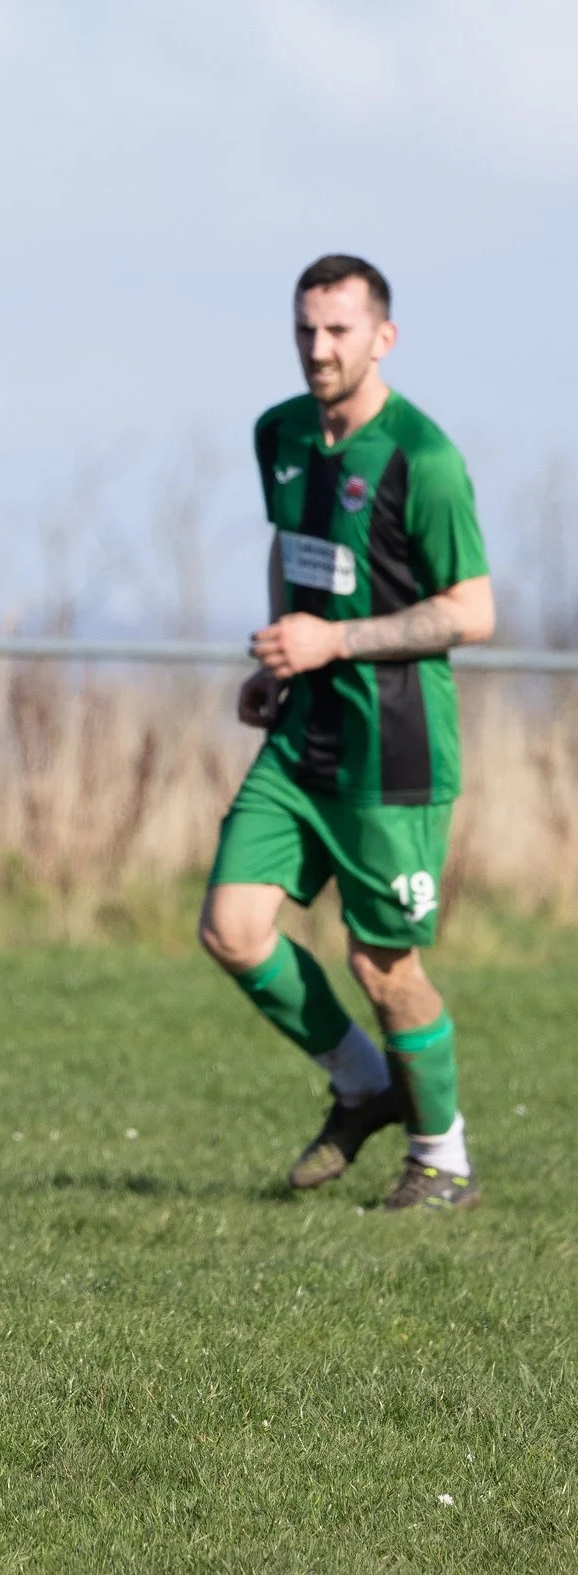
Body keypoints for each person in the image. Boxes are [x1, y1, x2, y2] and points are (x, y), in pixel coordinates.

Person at [199, 254, 493, 1210]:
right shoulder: (279, 435)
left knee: (382, 963)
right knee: (234, 929)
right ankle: (364, 1084)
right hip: (304, 736)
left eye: (339, 331)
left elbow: (472, 611)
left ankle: (442, 1159)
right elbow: (296, 552)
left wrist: (337, 640)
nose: (319, 350)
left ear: (383, 337)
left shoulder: (425, 459)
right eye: (305, 330)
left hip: (392, 751)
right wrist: (280, 657)